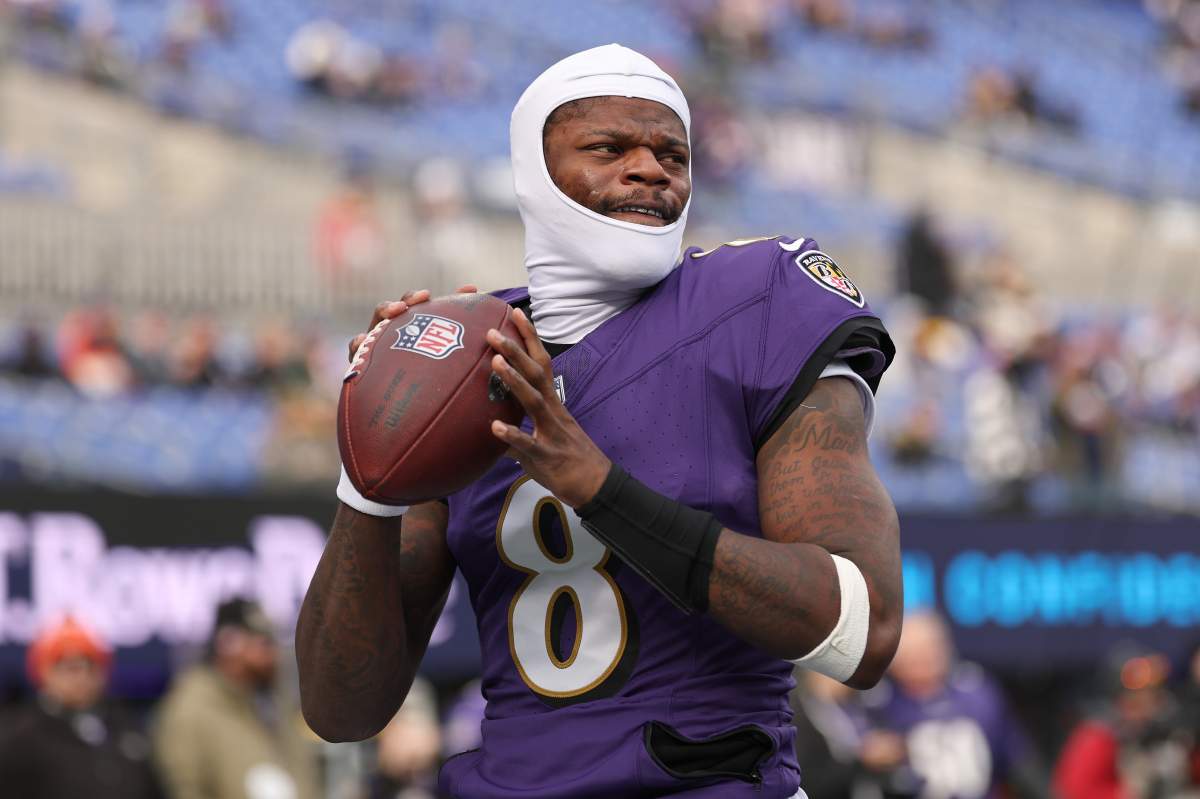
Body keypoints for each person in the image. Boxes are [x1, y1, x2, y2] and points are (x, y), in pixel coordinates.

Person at [297, 44, 902, 798]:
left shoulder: (759, 298)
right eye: (608, 148)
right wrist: (369, 475)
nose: (650, 170)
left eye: (673, 155)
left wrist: (601, 491)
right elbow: (341, 709)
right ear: (533, 169)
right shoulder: (469, 361)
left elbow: (863, 631)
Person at [863, 611, 1049, 799]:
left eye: (930, 649)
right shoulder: (880, 703)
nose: (925, 660)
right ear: (895, 660)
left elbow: (1017, 757)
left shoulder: (977, 692)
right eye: (915, 654)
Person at [154, 598, 320, 799]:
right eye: (263, 644)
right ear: (229, 643)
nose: (273, 655)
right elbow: (185, 788)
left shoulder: (271, 702)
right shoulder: (191, 709)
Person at [0, 616, 163, 799]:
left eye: (90, 665)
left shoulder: (124, 725)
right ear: (44, 672)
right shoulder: (20, 737)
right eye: (69, 667)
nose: (81, 677)